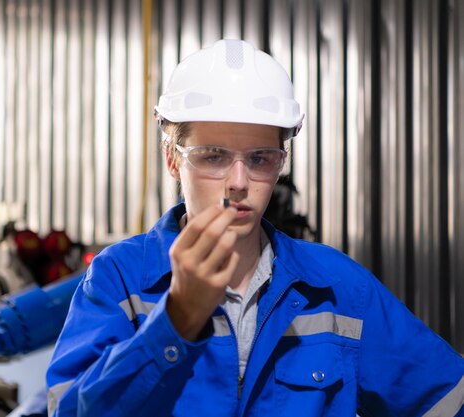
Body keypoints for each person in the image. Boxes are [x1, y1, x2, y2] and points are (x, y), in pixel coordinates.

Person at [46, 39, 464, 416]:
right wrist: (176, 321)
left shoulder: (338, 289)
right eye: (213, 156)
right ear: (173, 160)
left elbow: (447, 398)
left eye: (261, 159)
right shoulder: (119, 281)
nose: (239, 183)